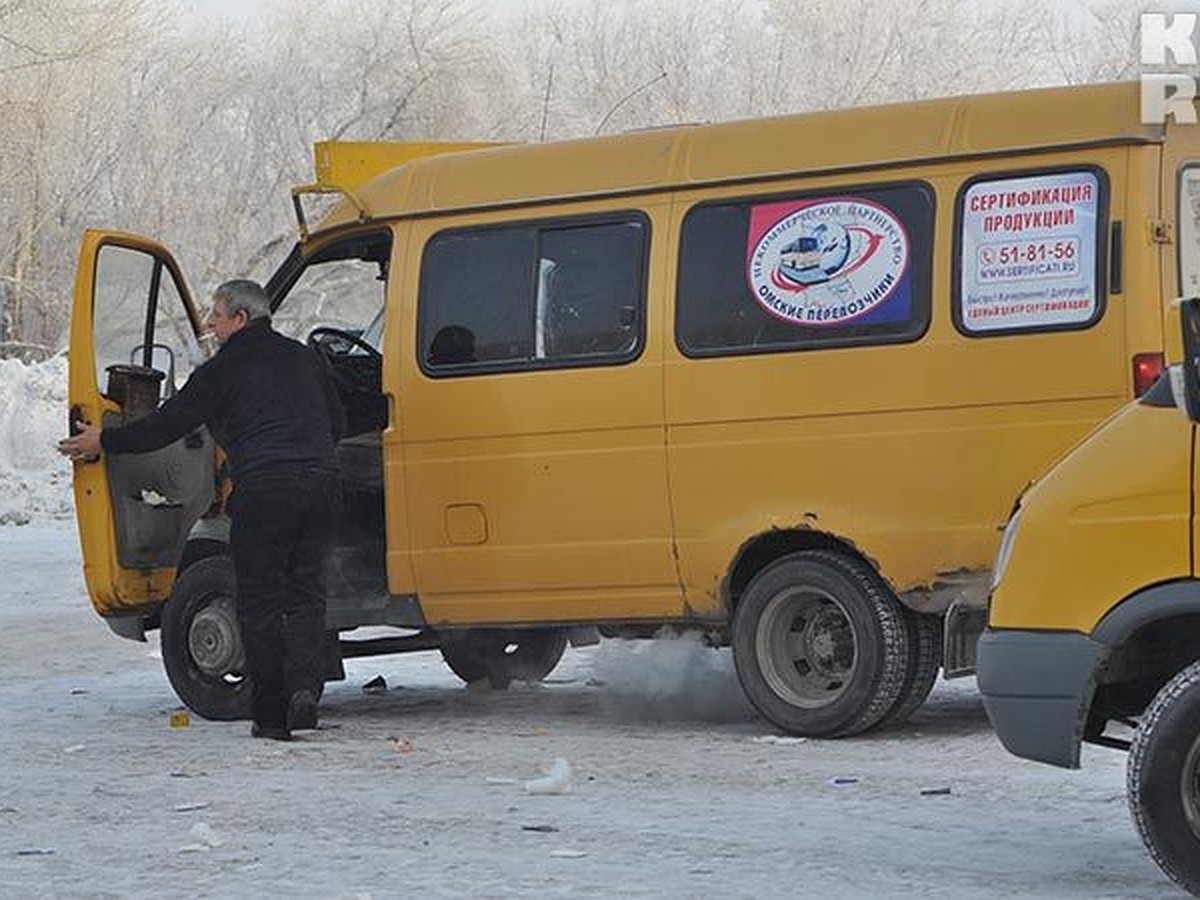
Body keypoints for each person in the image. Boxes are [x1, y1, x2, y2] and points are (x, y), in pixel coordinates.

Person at [59, 279, 346, 741]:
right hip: (322, 487)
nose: (209, 324)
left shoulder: (223, 369)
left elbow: (168, 425)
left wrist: (104, 439)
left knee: (260, 601)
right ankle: (304, 695)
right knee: (307, 593)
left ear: (241, 319)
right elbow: (339, 421)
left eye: (215, 314)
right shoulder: (304, 358)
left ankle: (272, 716)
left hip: (265, 489)